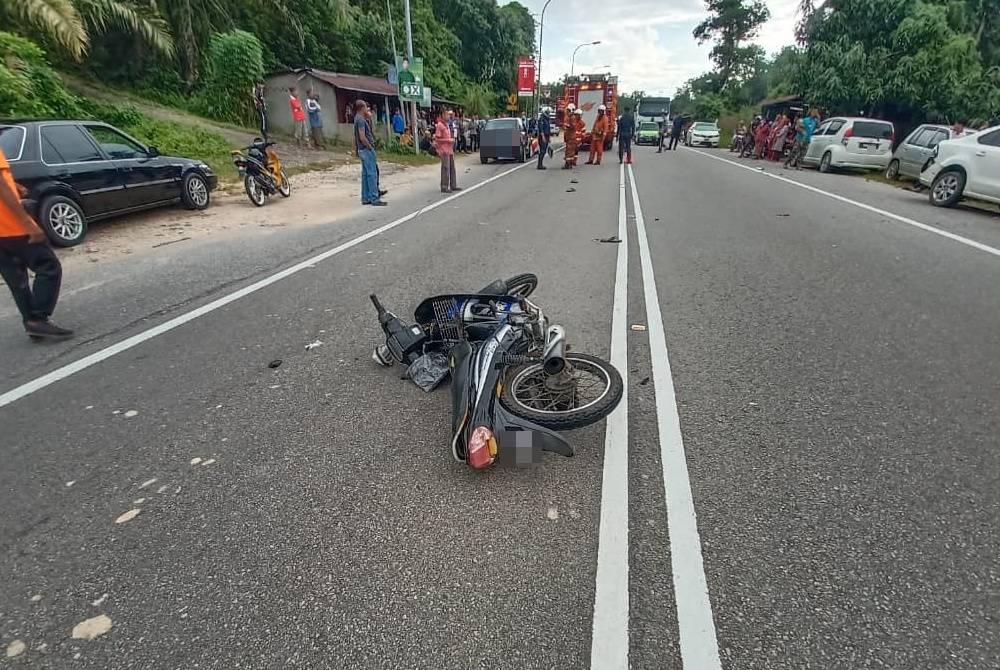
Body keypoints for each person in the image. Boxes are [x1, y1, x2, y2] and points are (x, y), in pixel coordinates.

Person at [0, 147, 72, 340]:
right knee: (48, 266)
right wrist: (26, 222)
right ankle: (38, 319)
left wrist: (14, 185)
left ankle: (32, 322)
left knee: (16, 277)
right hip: (11, 226)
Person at [354, 100, 386, 206]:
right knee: (372, 174)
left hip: (361, 149)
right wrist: (369, 147)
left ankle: (366, 197)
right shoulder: (361, 120)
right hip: (366, 149)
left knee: (366, 174)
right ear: (362, 108)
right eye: (365, 107)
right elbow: (362, 137)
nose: (366, 109)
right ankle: (374, 198)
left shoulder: (359, 118)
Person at [434, 110, 460, 194]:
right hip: (444, 149)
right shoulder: (440, 125)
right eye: (447, 115)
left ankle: (453, 185)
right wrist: (447, 140)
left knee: (452, 168)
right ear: (443, 115)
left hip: (449, 149)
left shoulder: (447, 125)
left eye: (449, 115)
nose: (449, 116)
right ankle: (444, 186)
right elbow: (437, 139)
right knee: (445, 168)